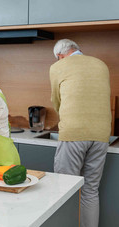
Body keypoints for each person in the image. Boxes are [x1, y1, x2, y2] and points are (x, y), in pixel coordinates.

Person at [50, 39, 111, 227]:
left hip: (74, 134)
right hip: (102, 135)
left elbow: (56, 101)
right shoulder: (101, 65)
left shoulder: (57, 67)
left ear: (60, 56)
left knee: (65, 189)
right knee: (90, 190)